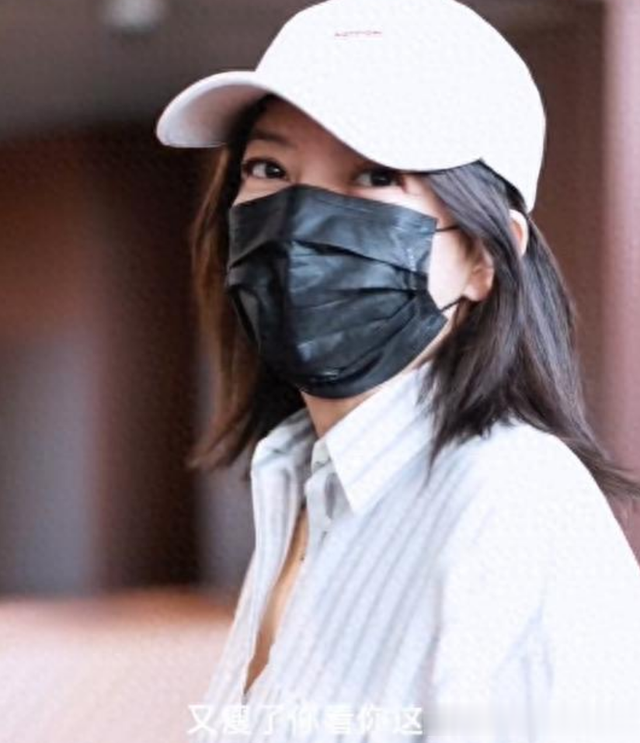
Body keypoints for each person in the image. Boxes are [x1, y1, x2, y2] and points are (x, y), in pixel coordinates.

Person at [156, 1, 640, 741]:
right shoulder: (297, 484)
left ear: (485, 256)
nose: (299, 222)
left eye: (377, 174)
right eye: (268, 168)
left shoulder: (513, 507)